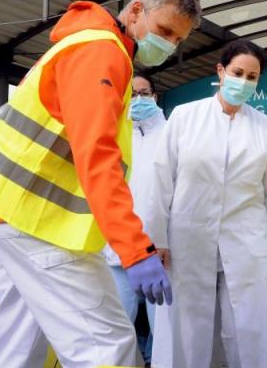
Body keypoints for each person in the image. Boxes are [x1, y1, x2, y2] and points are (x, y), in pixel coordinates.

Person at [0, 0, 202, 367]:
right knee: (105, 347)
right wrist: (135, 250)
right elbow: (98, 157)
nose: (169, 45)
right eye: (165, 31)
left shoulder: (88, 43)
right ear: (137, 11)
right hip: (38, 222)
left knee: (15, 350)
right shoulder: (101, 52)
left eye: (178, 40)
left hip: (10, 212)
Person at [148, 39, 267, 368]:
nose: (244, 81)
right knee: (187, 328)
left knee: (247, 329)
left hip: (247, 242)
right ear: (220, 71)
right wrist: (156, 238)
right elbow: (161, 181)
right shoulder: (184, 117)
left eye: (252, 76)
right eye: (238, 72)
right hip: (187, 239)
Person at [104, 73, 167, 365]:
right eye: (133, 94)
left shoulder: (171, 135)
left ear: (155, 96)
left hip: (161, 253)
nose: (139, 99)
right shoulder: (113, 137)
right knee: (115, 330)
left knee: (165, 332)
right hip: (118, 251)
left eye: (145, 92)